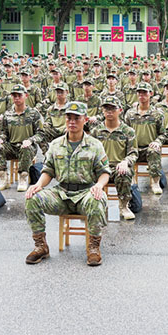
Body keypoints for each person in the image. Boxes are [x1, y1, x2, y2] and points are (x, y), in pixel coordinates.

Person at [24, 101, 110, 266]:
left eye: (76, 118)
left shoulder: (95, 145)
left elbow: (104, 172)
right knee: (32, 198)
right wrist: (39, 185)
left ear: (85, 119)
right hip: (61, 194)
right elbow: (48, 170)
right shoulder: (56, 144)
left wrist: (98, 186)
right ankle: (41, 246)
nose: (72, 121)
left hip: (85, 194)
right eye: (69, 117)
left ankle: (93, 248)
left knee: (98, 200)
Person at [91, 95, 138, 221]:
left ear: (120, 110)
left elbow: (133, 153)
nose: (109, 112)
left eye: (112, 109)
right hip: (101, 169)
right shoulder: (96, 131)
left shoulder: (128, 131)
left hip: (118, 168)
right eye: (106, 109)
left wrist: (125, 161)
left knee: (125, 172)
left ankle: (123, 206)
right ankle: (94, 204)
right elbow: (90, 153)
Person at [0, 84, 44, 193]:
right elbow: (3, 132)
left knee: (25, 148)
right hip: (12, 147)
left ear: (26, 96)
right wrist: (1, 139)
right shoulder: (7, 114)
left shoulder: (33, 114)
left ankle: (23, 178)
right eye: (14, 96)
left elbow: (40, 134)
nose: (16, 98)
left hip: (28, 148)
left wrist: (30, 140)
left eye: (19, 95)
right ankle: (3, 177)